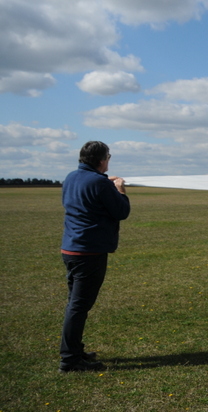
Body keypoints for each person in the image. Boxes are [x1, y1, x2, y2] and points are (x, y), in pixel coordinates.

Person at [59, 141, 130, 373]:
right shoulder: (100, 182)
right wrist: (119, 188)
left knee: (75, 304)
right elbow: (122, 211)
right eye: (108, 157)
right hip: (89, 252)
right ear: (102, 160)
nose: (109, 161)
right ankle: (70, 360)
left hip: (71, 249)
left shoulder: (70, 177)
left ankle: (75, 351)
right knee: (78, 306)